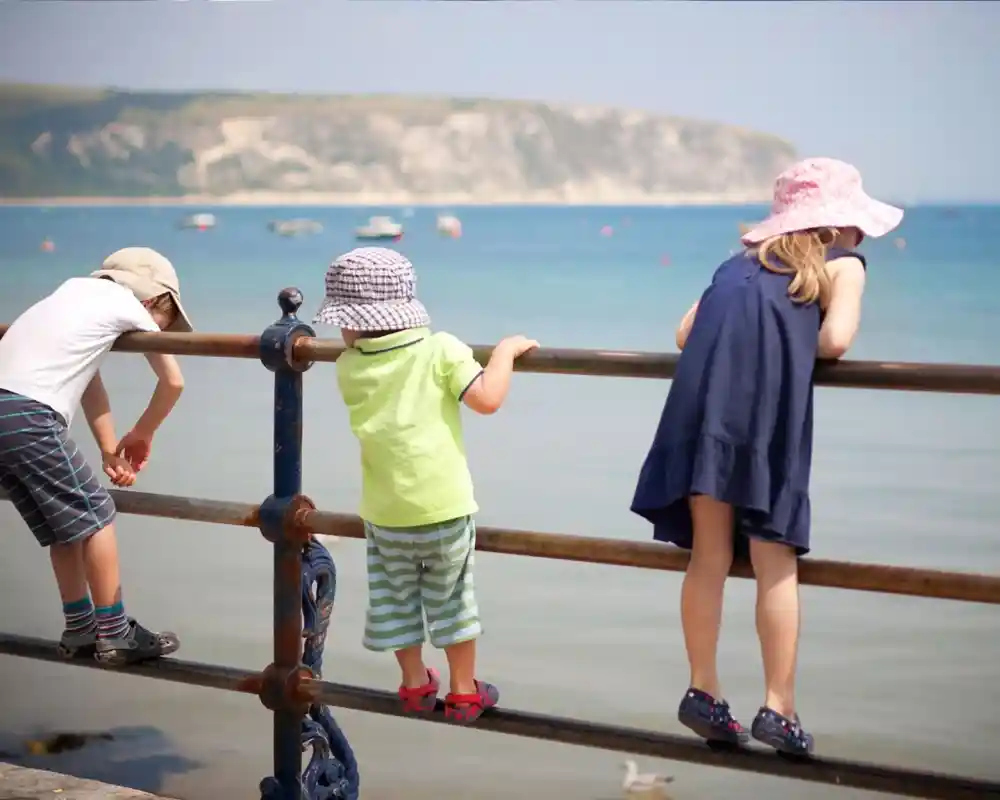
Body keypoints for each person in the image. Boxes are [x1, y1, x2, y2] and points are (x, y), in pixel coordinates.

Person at [630, 158, 903, 756]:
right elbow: (835, 341)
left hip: (702, 418)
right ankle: (779, 708)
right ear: (841, 227)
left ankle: (703, 690)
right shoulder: (845, 265)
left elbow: (683, 334)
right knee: (775, 560)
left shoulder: (738, 265)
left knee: (708, 554)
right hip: (765, 423)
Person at [315, 246, 537, 724]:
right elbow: (488, 399)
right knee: (453, 597)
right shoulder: (441, 349)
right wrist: (505, 352)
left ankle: (415, 684)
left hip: (384, 512)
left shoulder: (348, 367)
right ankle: (462, 691)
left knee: (395, 596)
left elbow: (366, 354)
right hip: (443, 507)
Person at [0, 247, 193, 666]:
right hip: (28, 414)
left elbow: (88, 381)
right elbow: (173, 382)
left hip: (5, 410)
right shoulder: (130, 307)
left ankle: (80, 628)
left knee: (62, 526)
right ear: (153, 300)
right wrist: (142, 434)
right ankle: (116, 632)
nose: (161, 328)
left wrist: (109, 448)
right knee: (98, 514)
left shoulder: (70, 296)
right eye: (167, 318)